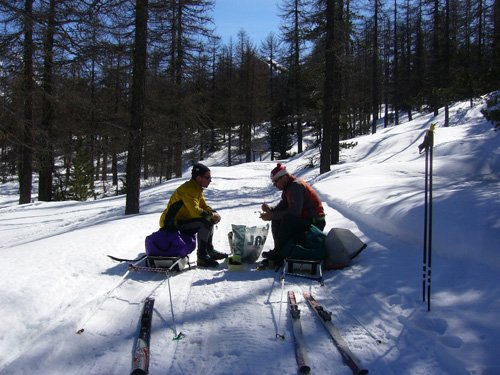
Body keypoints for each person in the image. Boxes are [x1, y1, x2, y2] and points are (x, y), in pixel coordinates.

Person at [159, 162, 227, 267]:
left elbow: (203, 206)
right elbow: (194, 211)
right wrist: (210, 215)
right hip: (171, 223)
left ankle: (209, 250)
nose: (210, 180)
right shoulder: (188, 189)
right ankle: (202, 257)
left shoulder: (196, 188)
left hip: (182, 220)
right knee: (205, 221)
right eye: (207, 177)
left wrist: (213, 212)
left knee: (209, 219)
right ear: (199, 178)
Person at [259, 163, 326, 265]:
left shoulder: (296, 186)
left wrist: (273, 215)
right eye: (274, 182)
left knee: (287, 219)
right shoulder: (288, 188)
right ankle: (279, 250)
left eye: (276, 182)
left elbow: (295, 212)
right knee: (278, 217)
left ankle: (278, 253)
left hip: (315, 222)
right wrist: (270, 210)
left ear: (285, 177)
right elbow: (282, 207)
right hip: (306, 220)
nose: (275, 185)